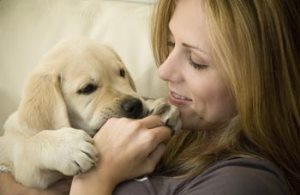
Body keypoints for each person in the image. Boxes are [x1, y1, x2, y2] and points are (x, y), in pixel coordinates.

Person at [1, 0, 299, 194]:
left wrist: (95, 180)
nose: (164, 71)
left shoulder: (243, 184)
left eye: (196, 60)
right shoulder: (176, 127)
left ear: (259, 81)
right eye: (170, 44)